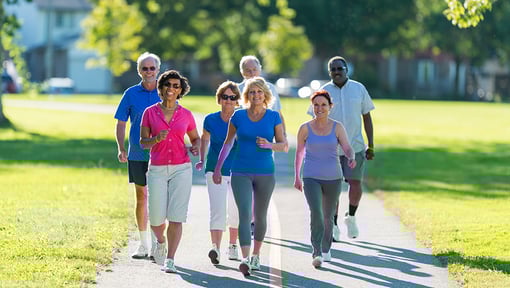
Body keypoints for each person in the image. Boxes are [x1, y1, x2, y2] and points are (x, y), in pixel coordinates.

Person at [213, 77, 287, 276]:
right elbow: (227, 144)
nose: (256, 95)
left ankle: (256, 254)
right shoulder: (238, 116)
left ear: (265, 95)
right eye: (252, 92)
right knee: (244, 214)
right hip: (240, 171)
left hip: (265, 172)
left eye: (259, 92)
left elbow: (284, 145)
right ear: (246, 95)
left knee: (260, 216)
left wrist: (269, 145)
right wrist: (219, 168)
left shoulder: (273, 117)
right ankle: (245, 259)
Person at [308, 56, 375, 241]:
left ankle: (351, 217)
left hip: (355, 146)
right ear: (329, 72)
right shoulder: (324, 92)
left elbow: (367, 117)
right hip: (329, 149)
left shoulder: (358, 88)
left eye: (340, 68)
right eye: (333, 69)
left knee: (356, 184)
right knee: (333, 188)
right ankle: (334, 224)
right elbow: (314, 119)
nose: (337, 72)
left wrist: (371, 145)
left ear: (347, 69)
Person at [140, 70, 200, 273]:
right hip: (156, 168)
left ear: (181, 90)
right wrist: (156, 139)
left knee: (176, 216)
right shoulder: (149, 112)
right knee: (156, 220)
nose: (171, 89)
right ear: (161, 87)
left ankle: (171, 259)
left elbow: (195, 138)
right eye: (168, 85)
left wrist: (196, 147)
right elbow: (142, 143)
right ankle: (160, 240)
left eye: (176, 86)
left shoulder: (186, 114)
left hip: (181, 168)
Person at [295, 90, 356, 268]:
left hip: (334, 178)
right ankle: (316, 251)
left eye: (323, 105)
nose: (319, 108)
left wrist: (351, 157)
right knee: (316, 213)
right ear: (312, 107)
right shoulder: (304, 128)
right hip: (311, 176)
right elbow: (299, 154)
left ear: (330, 107)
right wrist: (297, 177)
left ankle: (326, 248)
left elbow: (347, 147)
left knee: (328, 216)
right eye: (316, 105)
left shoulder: (337, 127)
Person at [114, 52, 161, 259]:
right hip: (137, 153)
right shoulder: (131, 94)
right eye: (145, 68)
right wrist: (121, 147)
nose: (149, 72)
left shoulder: (167, 92)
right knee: (142, 197)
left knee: (159, 200)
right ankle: (143, 245)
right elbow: (121, 122)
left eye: (152, 68)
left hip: (162, 155)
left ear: (158, 70)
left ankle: (159, 244)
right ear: (139, 71)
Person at [195, 81, 241, 264]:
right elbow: (204, 140)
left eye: (232, 97)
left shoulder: (242, 118)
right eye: (225, 97)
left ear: (237, 100)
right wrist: (201, 159)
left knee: (235, 210)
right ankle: (215, 248)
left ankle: (232, 245)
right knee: (218, 210)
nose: (228, 100)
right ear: (219, 99)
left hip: (238, 170)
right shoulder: (210, 119)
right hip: (214, 169)